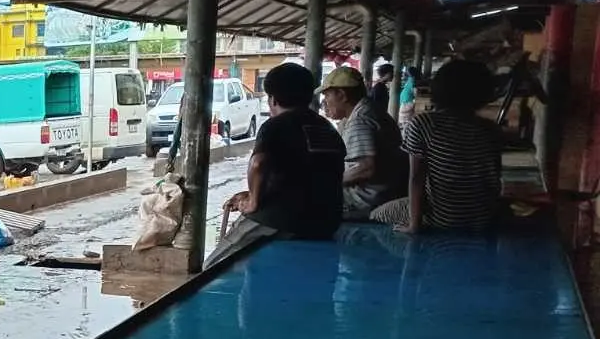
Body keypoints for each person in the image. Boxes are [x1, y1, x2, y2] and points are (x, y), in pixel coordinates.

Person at [209, 63, 346, 266]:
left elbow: (258, 163)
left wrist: (254, 200)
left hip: (282, 219)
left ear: (272, 99)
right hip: (327, 221)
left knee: (213, 265)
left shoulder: (277, 125)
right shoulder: (327, 128)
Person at [370, 59, 500, 233]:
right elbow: (494, 181)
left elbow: (416, 178)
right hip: (481, 218)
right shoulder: (490, 128)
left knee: (377, 214)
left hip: (442, 216)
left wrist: (414, 225)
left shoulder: (424, 123)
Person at [317, 67, 405, 220]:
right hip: (389, 188)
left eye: (327, 95)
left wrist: (329, 183)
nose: (325, 102)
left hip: (366, 199)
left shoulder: (360, 120)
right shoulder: (371, 110)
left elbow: (365, 169)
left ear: (342, 95)